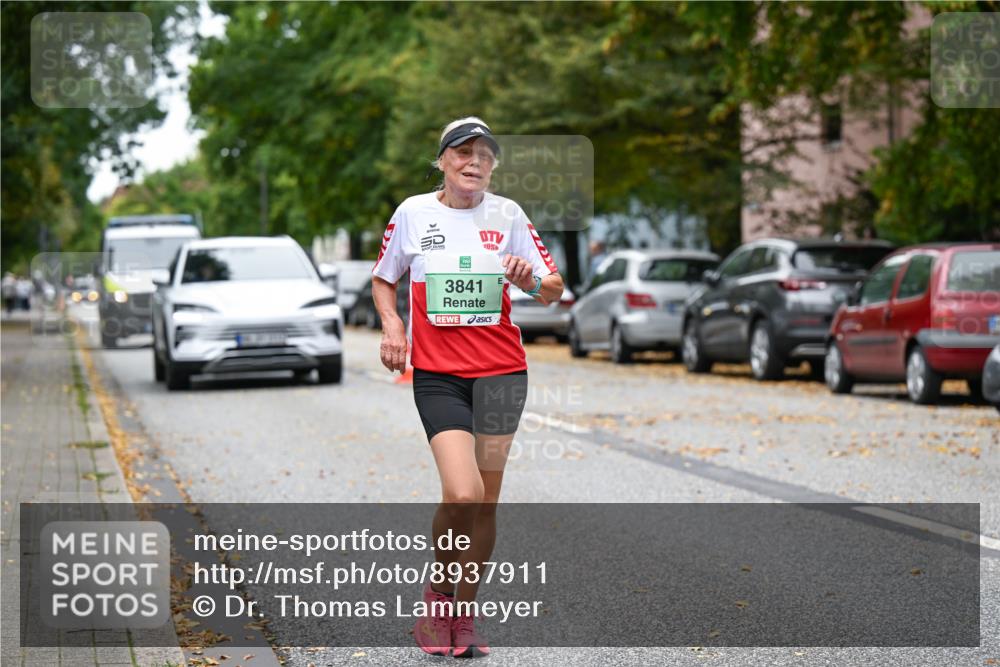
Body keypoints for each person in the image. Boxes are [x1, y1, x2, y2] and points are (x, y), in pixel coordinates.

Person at [372, 117, 564, 658]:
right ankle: (438, 595)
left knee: (486, 503)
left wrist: (529, 279)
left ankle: (463, 613)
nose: (474, 161)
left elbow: (553, 287)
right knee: (463, 493)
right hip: (439, 376)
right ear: (442, 161)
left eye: (484, 154)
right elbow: (384, 277)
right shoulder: (413, 213)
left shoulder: (509, 215)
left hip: (502, 372)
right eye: (463, 152)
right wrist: (393, 325)